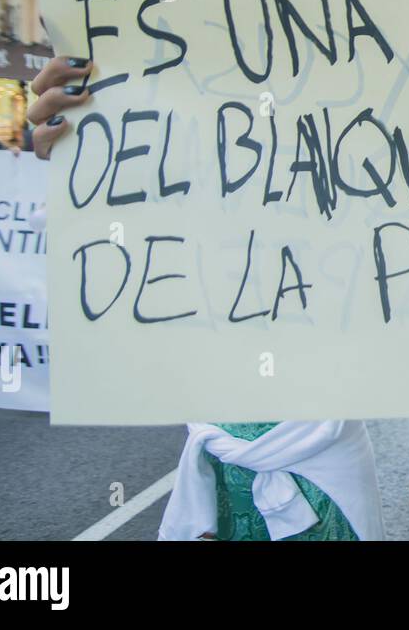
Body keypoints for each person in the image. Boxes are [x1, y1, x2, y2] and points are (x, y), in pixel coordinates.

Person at [25, 56, 384, 541]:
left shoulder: (343, 165)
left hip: (327, 480)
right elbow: (106, 269)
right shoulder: (181, 184)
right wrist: (79, 157)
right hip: (220, 474)